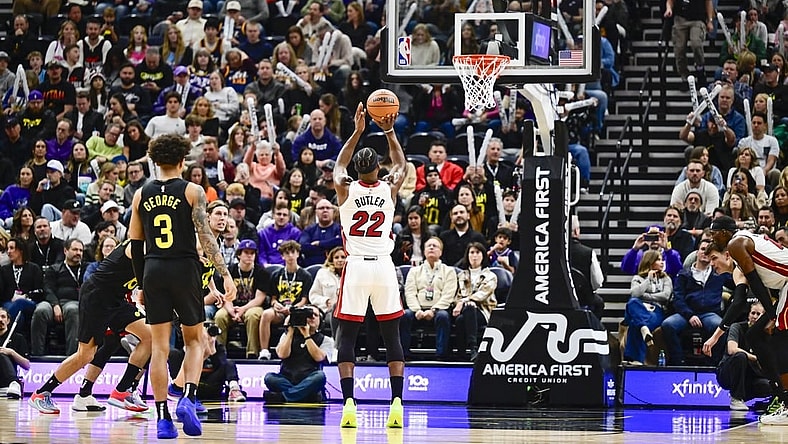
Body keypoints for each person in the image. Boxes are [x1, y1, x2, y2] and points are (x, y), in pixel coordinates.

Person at [128, 133, 236, 438]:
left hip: (154, 269)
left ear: (154, 160)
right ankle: (187, 396)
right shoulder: (193, 191)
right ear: (182, 160)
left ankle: (162, 419)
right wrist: (224, 272)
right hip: (185, 268)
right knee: (194, 341)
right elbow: (205, 237)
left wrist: (140, 284)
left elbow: (136, 245)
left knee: (160, 348)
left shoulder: (140, 194)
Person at [332, 103, 407, 428]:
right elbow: (402, 164)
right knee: (392, 335)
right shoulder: (390, 188)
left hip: (357, 267)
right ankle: (397, 403)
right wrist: (388, 130)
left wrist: (358, 130)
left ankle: (349, 401)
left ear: (357, 171)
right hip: (385, 268)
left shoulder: (345, 188)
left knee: (347, 335)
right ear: (379, 168)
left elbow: (339, 164)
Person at [27, 238, 152, 414]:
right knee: (85, 354)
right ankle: (41, 394)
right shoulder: (138, 245)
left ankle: (122, 391)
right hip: (97, 297)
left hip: (116, 299)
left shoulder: (154, 247)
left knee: (149, 336)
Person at [702, 216, 788, 424]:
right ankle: (781, 396)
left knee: (776, 338)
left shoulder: (736, 244)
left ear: (723, 233)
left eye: (713, 234)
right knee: (755, 335)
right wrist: (772, 313)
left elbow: (756, 287)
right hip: (784, 285)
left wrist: (773, 316)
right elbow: (747, 298)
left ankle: (784, 402)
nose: (711, 264)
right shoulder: (745, 247)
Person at [660, 233, 727, 365]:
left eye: (709, 251)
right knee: (668, 325)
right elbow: (678, 298)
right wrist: (689, 315)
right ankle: (678, 361)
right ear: (697, 252)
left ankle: (714, 363)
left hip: (710, 313)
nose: (705, 253)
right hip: (686, 313)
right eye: (703, 249)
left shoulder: (719, 274)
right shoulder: (684, 274)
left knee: (721, 327)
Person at [263, 304, 334, 403]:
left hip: (309, 378)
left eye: (315, 315)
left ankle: (283, 397)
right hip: (287, 378)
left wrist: (307, 335)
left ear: (320, 321)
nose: (312, 317)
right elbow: (282, 355)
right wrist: (290, 331)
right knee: (269, 378)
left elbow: (319, 357)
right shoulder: (286, 335)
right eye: (309, 315)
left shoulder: (326, 340)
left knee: (320, 377)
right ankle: (306, 396)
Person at [401, 237, 456, 360]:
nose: (431, 248)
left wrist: (433, 310)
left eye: (435, 246)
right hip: (418, 310)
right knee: (404, 315)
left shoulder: (449, 271)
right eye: (428, 246)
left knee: (443, 316)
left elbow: (448, 294)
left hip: (438, 310)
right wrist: (417, 310)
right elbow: (409, 293)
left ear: (441, 252)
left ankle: (441, 355)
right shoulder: (414, 271)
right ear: (424, 251)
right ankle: (403, 354)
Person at [214, 239, 270, 359]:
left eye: (252, 253)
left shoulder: (261, 272)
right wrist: (231, 311)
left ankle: (252, 353)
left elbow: (259, 298)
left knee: (253, 315)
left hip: (253, 306)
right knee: (220, 316)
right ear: (239, 254)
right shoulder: (229, 271)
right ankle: (218, 353)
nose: (249, 256)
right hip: (232, 307)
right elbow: (225, 296)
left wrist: (242, 309)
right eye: (246, 252)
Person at [257, 240, 312, 360]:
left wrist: (293, 309)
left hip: (297, 310)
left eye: (293, 252)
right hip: (280, 309)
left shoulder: (306, 275)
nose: (290, 256)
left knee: (297, 315)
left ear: (298, 254)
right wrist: (275, 304)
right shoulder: (277, 275)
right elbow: (273, 298)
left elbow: (304, 299)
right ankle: (264, 351)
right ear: (282, 256)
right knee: (266, 314)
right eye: (287, 253)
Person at [31, 238, 84, 356]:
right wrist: (55, 305)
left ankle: (72, 357)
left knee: (73, 310)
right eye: (75, 249)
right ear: (65, 251)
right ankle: (36, 355)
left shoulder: (86, 268)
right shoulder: (54, 268)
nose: (78, 253)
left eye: (81, 250)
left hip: (74, 302)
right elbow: (47, 289)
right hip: (53, 302)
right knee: (41, 310)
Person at [623, 250, 673, 365]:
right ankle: (644, 329)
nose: (662, 262)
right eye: (658, 259)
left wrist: (646, 297)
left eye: (662, 259)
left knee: (636, 323)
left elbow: (665, 296)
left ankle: (635, 359)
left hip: (656, 311)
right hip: (639, 308)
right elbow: (635, 294)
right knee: (633, 302)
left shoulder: (666, 279)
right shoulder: (638, 278)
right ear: (650, 262)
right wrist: (648, 280)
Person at [0, 307, 29, 399]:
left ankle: (14, 383)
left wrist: (11, 352)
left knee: (2, 354)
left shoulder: (18, 338)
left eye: (3, 317)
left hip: (7, 386)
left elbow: (26, 365)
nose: (0, 319)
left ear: (8, 321)